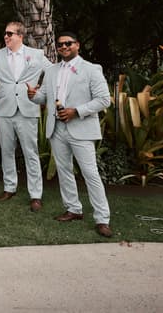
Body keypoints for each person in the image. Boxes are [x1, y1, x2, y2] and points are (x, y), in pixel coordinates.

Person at [27, 31, 113, 238]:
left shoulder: (92, 69)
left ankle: (102, 219)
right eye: (60, 45)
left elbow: (104, 100)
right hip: (56, 129)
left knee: (90, 174)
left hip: (81, 129)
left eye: (68, 43)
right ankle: (73, 209)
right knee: (64, 171)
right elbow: (45, 98)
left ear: (78, 45)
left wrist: (77, 111)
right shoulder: (52, 70)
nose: (63, 47)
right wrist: (33, 96)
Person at [0, 22, 51, 211]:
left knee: (30, 152)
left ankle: (36, 195)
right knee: (6, 151)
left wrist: (42, 91)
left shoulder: (37, 55)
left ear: (20, 36)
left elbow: (53, 73)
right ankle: (9, 187)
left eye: (10, 33)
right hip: (5, 110)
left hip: (28, 109)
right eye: (5, 34)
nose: (6, 37)